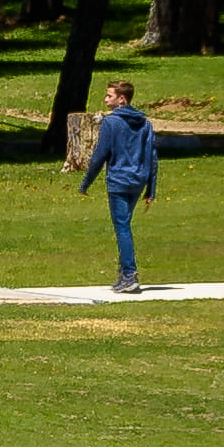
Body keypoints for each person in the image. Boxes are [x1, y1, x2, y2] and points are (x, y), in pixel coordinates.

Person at [82, 75, 163, 295]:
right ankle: (123, 274)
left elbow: (100, 155)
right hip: (137, 181)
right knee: (124, 224)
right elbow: (151, 157)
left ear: (122, 100)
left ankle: (129, 274)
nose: (105, 99)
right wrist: (151, 189)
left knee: (122, 227)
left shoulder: (111, 122)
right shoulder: (145, 123)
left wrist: (86, 182)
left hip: (118, 181)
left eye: (109, 95)